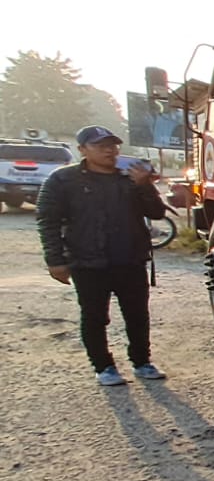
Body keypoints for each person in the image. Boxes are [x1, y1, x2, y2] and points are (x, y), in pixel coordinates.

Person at [36, 126, 168, 386]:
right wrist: (55, 261)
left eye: (113, 145)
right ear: (82, 150)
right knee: (95, 316)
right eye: (100, 146)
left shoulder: (129, 178)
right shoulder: (63, 180)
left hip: (130, 259)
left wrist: (145, 187)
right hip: (87, 262)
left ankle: (142, 362)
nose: (110, 150)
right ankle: (104, 366)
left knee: (137, 315)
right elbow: (47, 221)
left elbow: (156, 213)